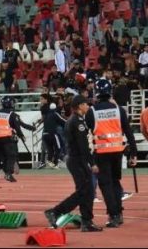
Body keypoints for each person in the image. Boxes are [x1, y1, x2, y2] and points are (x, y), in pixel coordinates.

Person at [44, 95, 103, 232]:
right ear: (80, 106)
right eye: (86, 104)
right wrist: (92, 162)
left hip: (75, 159)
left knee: (87, 191)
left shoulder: (73, 120)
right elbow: (83, 146)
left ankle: (87, 221)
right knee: (84, 191)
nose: (88, 106)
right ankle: (55, 211)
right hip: (78, 160)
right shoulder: (78, 122)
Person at [85, 79, 138, 227]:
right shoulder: (119, 110)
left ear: (96, 93)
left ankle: (113, 214)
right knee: (115, 182)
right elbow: (129, 132)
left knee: (105, 184)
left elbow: (86, 134)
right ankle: (118, 213)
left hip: (101, 153)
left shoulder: (92, 112)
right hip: (117, 152)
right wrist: (133, 154)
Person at [0, 96, 35, 182]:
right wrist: (22, 136)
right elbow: (18, 127)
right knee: (11, 155)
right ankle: (8, 174)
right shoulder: (12, 114)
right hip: (6, 137)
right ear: (11, 104)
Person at [42, 103, 66, 169]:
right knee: (58, 148)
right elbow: (62, 121)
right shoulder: (55, 114)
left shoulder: (47, 115)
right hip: (52, 134)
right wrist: (69, 123)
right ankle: (55, 163)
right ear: (55, 108)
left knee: (50, 149)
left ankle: (49, 160)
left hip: (45, 134)